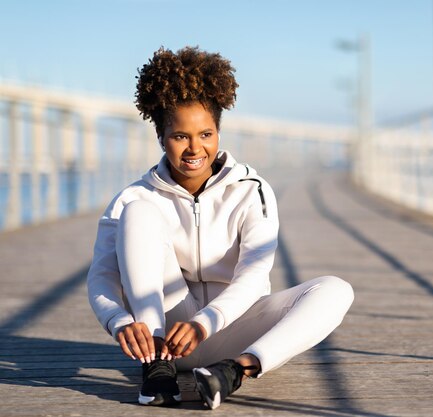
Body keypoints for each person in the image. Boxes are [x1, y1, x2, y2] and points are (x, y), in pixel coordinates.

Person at [86, 46, 354, 409]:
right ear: (160, 136)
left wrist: (205, 323)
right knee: (139, 212)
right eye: (180, 136)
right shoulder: (133, 197)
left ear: (218, 132)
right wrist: (119, 321)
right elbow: (101, 277)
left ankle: (233, 372)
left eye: (206, 134)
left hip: (232, 331)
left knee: (336, 290)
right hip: (166, 340)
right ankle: (157, 371)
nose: (195, 148)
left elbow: (253, 273)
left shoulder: (251, 191)